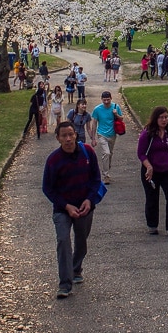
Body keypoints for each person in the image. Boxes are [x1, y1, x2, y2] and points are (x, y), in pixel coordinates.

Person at [42, 121, 102, 299]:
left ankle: (76, 268)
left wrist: (89, 200)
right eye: (64, 136)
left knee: (81, 240)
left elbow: (96, 179)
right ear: (58, 139)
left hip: (85, 205)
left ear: (75, 135)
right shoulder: (54, 160)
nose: (68, 139)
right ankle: (65, 283)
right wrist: (66, 206)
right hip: (63, 208)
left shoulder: (87, 153)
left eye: (71, 134)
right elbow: (48, 188)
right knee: (63, 241)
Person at [137, 106, 168, 238]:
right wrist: (148, 166)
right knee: (152, 198)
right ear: (155, 118)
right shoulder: (148, 133)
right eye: (161, 117)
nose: (164, 120)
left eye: (166, 117)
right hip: (151, 171)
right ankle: (152, 225)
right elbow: (141, 153)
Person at [90, 91, 123, 184]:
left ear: (111, 98)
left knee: (110, 154)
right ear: (101, 99)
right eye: (104, 100)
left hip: (112, 134)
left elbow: (121, 118)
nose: (106, 102)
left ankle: (107, 170)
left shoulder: (115, 107)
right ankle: (105, 175)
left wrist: (116, 114)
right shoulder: (97, 109)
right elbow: (94, 123)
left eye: (108, 100)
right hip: (101, 134)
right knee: (106, 153)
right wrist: (93, 138)